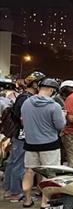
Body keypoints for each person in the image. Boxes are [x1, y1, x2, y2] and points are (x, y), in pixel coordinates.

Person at [20, 78, 66, 208]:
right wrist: (63, 116)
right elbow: (60, 125)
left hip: (30, 143)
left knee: (29, 171)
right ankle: (45, 201)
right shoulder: (54, 106)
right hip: (49, 144)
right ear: (52, 90)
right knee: (49, 173)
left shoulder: (26, 103)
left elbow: (23, 121)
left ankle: (27, 200)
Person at [2, 71, 46, 201]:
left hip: (19, 133)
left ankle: (9, 189)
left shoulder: (23, 97)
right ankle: (15, 191)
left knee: (13, 162)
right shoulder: (26, 99)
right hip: (23, 134)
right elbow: (23, 118)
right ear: (35, 84)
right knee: (19, 163)